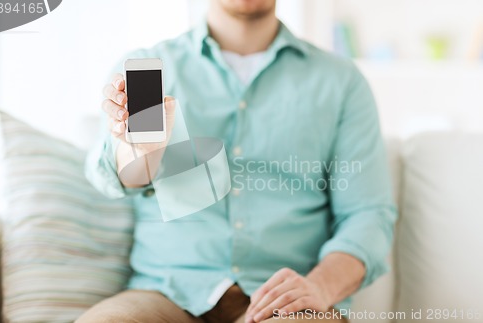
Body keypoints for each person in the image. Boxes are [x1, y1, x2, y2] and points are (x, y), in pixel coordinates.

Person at [78, 0, 397, 322]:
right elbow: (108, 175)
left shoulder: (340, 81)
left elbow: (368, 214)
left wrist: (319, 289)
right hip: (166, 293)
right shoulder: (151, 64)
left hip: (285, 302)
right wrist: (137, 154)